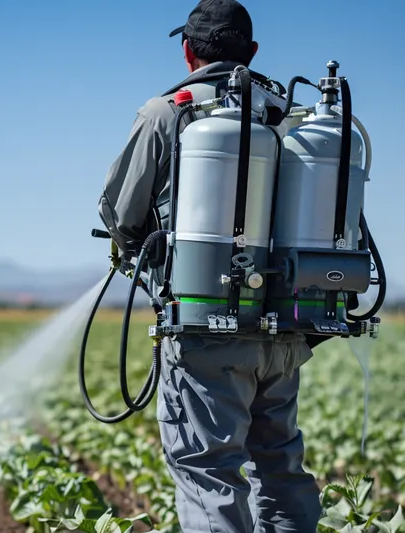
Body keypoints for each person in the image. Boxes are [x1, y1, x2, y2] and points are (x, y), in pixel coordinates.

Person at [98, 1, 322, 532]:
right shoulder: (288, 113)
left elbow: (119, 212)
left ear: (187, 51)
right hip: (284, 331)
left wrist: (135, 251)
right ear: (253, 51)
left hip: (206, 328)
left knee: (208, 473)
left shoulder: (167, 112)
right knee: (281, 469)